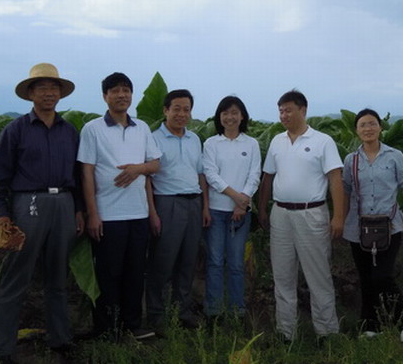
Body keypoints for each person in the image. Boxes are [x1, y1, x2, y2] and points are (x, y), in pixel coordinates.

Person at [0, 63, 85, 363]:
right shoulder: (15, 130)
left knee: (58, 276)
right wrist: (2, 214)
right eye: (42, 87)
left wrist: (79, 210)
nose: (48, 93)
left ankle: (60, 339)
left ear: (60, 94)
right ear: (31, 94)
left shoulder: (69, 131)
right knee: (17, 276)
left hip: (64, 203)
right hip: (28, 203)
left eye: (54, 88)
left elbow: (78, 175)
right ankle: (5, 349)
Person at [77, 72, 161, 340]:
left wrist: (138, 169)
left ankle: (132, 326)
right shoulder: (92, 129)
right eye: (115, 90)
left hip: (138, 212)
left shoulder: (142, 128)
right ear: (105, 96)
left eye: (126, 90)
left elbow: (155, 164)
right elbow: (86, 172)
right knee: (108, 274)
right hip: (108, 215)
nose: (122, 95)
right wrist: (92, 214)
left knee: (135, 272)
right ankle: (107, 330)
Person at [257, 90, 345, 341]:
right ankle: (286, 333)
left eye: (288, 110)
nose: (283, 115)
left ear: (303, 110)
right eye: (280, 111)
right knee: (282, 275)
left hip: (311, 213)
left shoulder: (322, 141)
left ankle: (326, 332)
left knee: (318, 275)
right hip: (281, 214)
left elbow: (335, 179)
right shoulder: (277, 141)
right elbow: (267, 178)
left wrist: (338, 217)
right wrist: (262, 209)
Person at [342, 108, 403, 343]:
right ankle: (370, 325)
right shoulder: (351, 160)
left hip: (390, 225)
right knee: (366, 277)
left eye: (372, 124)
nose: (368, 128)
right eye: (362, 125)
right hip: (359, 227)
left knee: (382, 276)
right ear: (356, 131)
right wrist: (339, 219)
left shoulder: (394, 156)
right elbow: (345, 192)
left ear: (380, 127)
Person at [146, 89, 211, 330]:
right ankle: (156, 316)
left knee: (187, 261)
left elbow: (201, 174)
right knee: (162, 262)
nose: (182, 114)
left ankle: (182, 312)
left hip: (194, 203)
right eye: (177, 109)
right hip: (167, 203)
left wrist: (205, 206)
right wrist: (152, 212)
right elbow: (147, 179)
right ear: (166, 110)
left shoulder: (194, 139)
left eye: (186, 109)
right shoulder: (154, 138)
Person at [202, 95, 261, 319]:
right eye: (225, 113)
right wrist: (237, 197)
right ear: (219, 117)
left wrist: (242, 202)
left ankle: (237, 311)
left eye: (234, 112)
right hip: (217, 211)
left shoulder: (251, 144)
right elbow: (211, 175)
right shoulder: (211, 144)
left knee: (236, 263)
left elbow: (254, 175)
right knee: (215, 261)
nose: (230, 117)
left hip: (241, 213)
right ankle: (214, 311)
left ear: (242, 116)